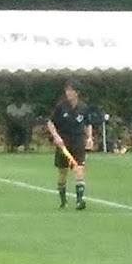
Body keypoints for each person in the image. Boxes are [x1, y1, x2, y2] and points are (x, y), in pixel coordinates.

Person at [46, 81, 92, 210]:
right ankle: (63, 201)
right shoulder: (61, 107)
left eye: (71, 90)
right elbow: (50, 123)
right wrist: (56, 136)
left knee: (79, 168)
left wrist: (89, 137)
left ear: (77, 92)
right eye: (67, 90)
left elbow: (87, 124)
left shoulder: (83, 107)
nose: (68, 93)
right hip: (64, 141)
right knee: (63, 172)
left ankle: (79, 200)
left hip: (78, 140)